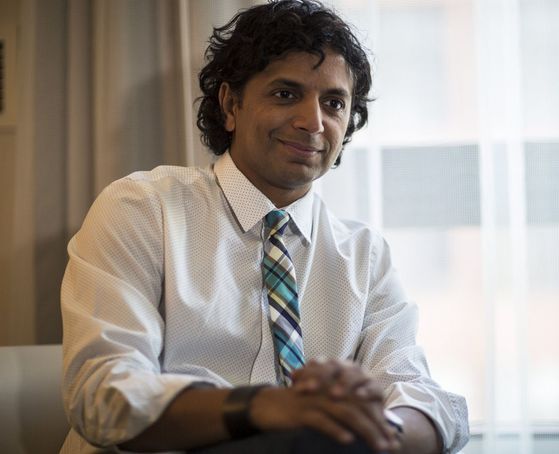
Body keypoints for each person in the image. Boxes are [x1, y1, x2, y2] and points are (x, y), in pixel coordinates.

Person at [60, 1, 469, 453]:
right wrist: (262, 408)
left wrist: (376, 429)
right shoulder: (142, 208)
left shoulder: (364, 254)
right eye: (285, 94)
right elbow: (104, 395)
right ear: (231, 105)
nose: (313, 122)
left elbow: (425, 397)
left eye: (333, 103)